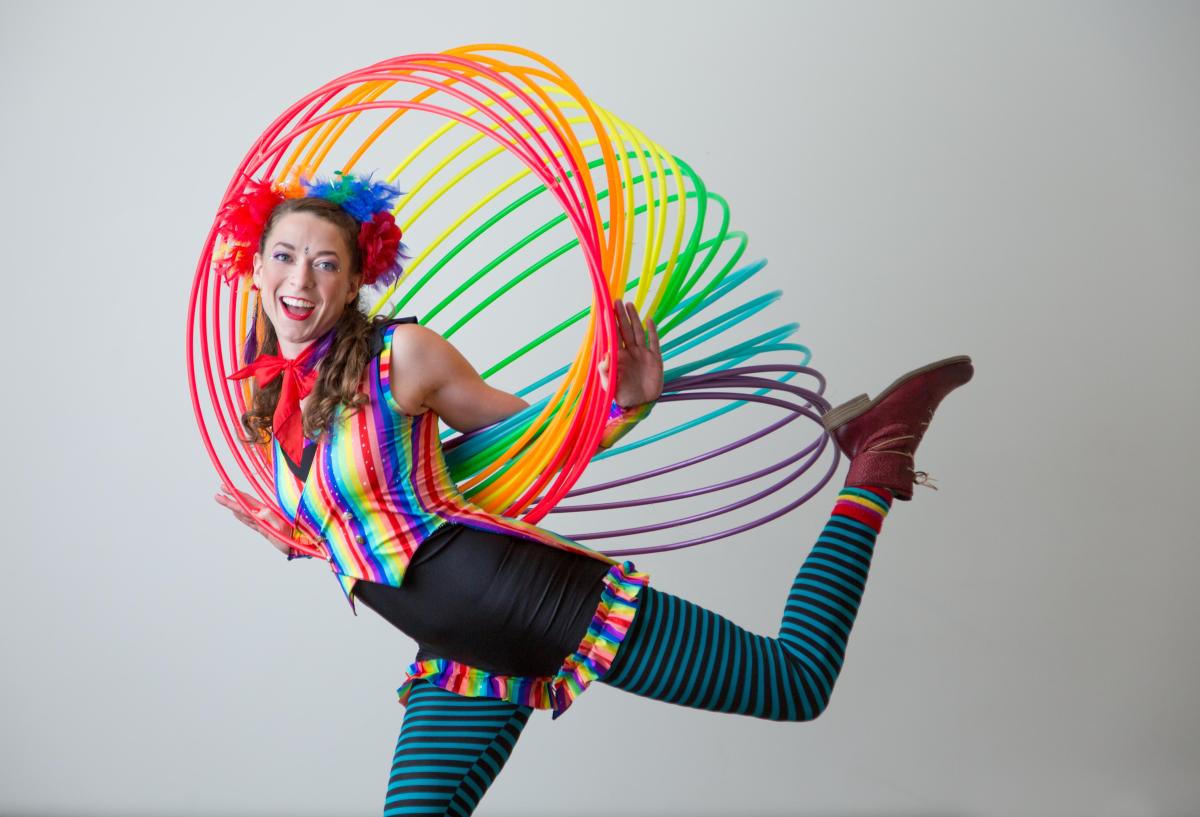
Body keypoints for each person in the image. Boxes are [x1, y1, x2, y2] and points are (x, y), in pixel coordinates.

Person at [212, 175, 974, 816]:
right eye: (284, 257)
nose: (300, 280)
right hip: (458, 650)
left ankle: (878, 449)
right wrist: (299, 533)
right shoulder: (268, 404)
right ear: (257, 271)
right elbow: (362, 513)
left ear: (351, 283)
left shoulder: (401, 356)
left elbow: (534, 437)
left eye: (324, 263)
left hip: (530, 596)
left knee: (795, 680)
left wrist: (626, 403)